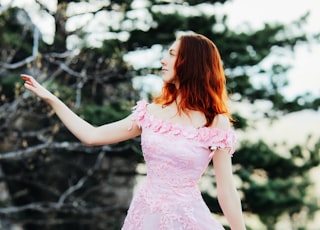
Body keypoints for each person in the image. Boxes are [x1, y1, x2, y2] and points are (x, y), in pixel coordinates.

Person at [21, 33, 246, 230]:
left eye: (171, 54)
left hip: (188, 221)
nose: (163, 60)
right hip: (144, 218)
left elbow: (226, 191)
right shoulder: (149, 114)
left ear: (192, 63)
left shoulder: (215, 122)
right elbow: (92, 135)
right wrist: (52, 99)